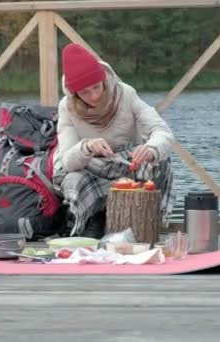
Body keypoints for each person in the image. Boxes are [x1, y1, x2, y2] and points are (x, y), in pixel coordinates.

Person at [53, 43, 175, 238]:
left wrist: (151, 148)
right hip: (90, 166)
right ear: (75, 94)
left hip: (126, 163)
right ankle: (94, 218)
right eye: (85, 92)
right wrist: (86, 146)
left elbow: (162, 131)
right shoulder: (66, 107)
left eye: (96, 87)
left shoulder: (125, 93)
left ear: (103, 79)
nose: (94, 95)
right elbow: (67, 161)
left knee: (158, 163)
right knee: (72, 179)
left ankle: (142, 219)